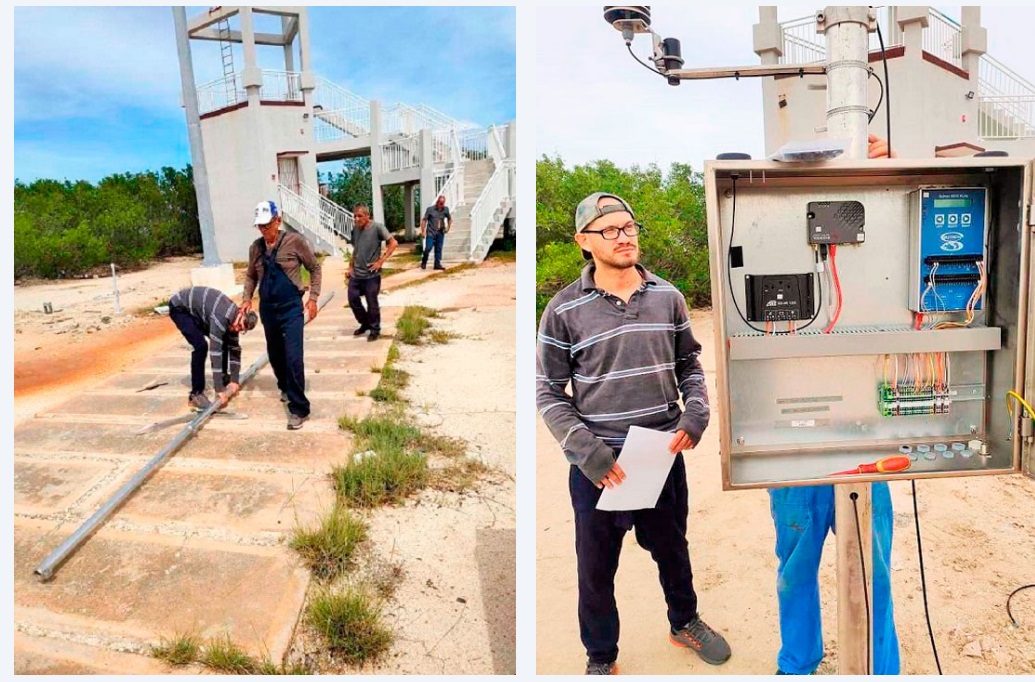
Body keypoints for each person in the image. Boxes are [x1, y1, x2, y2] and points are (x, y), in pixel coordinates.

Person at [536, 192, 732, 675]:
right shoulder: (563, 310)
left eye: (629, 227)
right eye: (609, 230)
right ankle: (601, 657)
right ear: (584, 241)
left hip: (661, 453)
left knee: (672, 548)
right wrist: (590, 455)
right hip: (601, 467)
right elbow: (547, 390)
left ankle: (684, 621)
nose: (624, 237)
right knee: (596, 570)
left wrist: (696, 415)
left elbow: (689, 363)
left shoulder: (668, 296)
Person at [770, 133, 899, 676]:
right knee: (796, 568)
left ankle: (879, 666)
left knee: (874, 571)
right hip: (795, 446)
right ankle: (798, 663)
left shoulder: (883, 263)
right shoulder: (777, 247)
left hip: (865, 445)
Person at [240, 199, 322, 430]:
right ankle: (285, 387)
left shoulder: (295, 241)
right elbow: (250, 276)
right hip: (268, 308)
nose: (264, 230)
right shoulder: (255, 248)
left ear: (278, 220)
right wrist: (246, 299)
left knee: (294, 357)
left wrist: (313, 298)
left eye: (267, 224)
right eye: (260, 226)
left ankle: (299, 409)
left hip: (291, 308)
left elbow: (314, 268)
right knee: (275, 354)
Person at [168, 286, 257, 410]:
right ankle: (196, 394)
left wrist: (234, 380)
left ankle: (223, 377)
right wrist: (219, 390)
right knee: (201, 346)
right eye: (239, 326)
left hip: (201, 310)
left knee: (227, 339)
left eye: (241, 330)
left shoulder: (235, 320)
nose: (237, 330)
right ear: (240, 314)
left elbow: (235, 349)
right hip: (181, 308)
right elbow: (215, 353)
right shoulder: (221, 318)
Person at [347, 203, 397, 342]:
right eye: (355, 216)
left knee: (372, 303)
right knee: (353, 300)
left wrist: (381, 261)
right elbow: (355, 250)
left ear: (368, 216)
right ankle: (365, 323)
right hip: (356, 274)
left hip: (371, 275)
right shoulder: (355, 230)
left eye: (360, 216)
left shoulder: (378, 228)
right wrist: (350, 267)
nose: (356, 219)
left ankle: (375, 329)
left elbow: (393, 243)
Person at [419, 194, 452, 270]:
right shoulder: (430, 209)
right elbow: (424, 220)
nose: (441, 205)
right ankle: (424, 261)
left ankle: (437, 264)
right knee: (428, 247)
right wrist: (423, 231)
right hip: (431, 232)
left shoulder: (445, 210)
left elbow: (449, 219)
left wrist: (448, 228)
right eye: (440, 203)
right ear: (437, 202)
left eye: (443, 203)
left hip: (440, 232)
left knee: (438, 249)